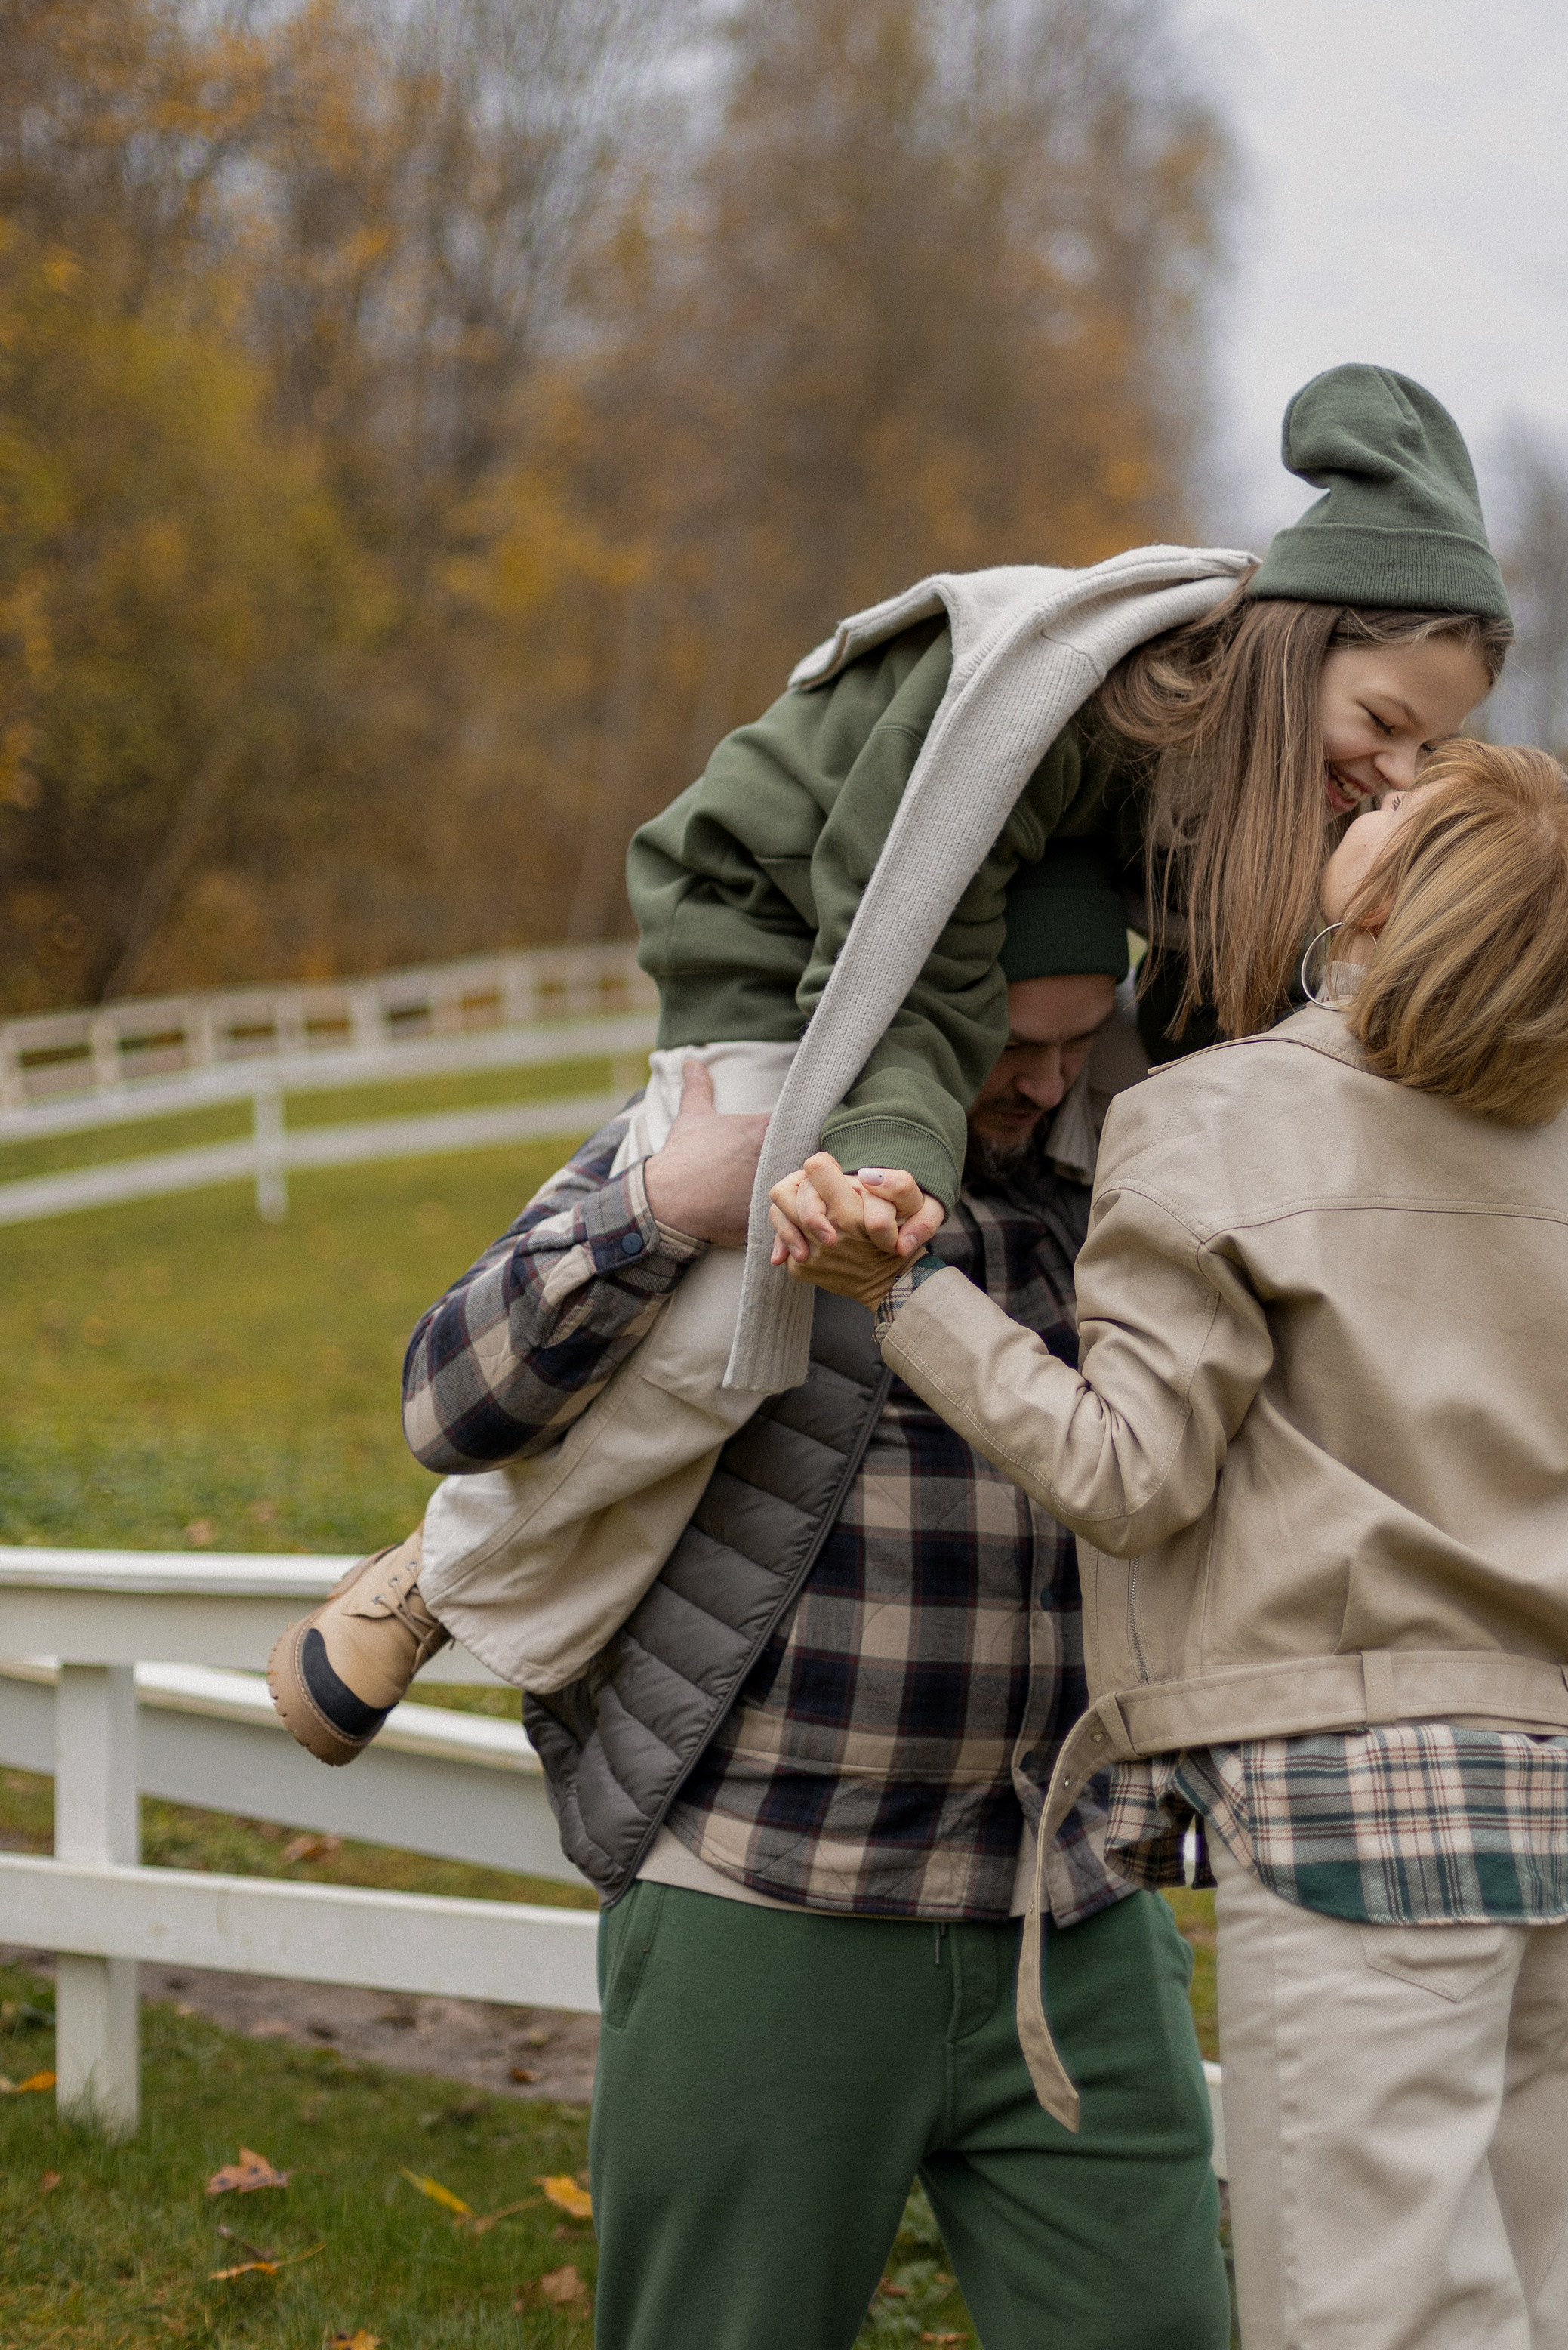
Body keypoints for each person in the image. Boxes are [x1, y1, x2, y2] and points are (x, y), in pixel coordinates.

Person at [270, 360, 1515, 1761]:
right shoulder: (1063, 702)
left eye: (1436, 743)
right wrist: (886, 1180)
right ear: (1297, 648)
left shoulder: (1248, 784)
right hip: (785, 916)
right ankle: (434, 1581)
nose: (1398, 769)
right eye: (1387, 724)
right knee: (742, 1290)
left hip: (997, 946)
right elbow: (903, 963)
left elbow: (1209, 1012)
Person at [786, 741, 1568, 2350]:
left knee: (1365, 2323)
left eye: (1391, 813)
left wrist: (904, 1296)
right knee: (1518, 2301)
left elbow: (1124, 1474)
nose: (1361, 796)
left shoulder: (1219, 1114)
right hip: (1537, 1798)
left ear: (1394, 902)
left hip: (1342, 1802)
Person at [361, 865, 1234, 2350]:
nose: (1044, 1080)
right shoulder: (755, 1144)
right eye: (1009, 1043)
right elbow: (447, 1400)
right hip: (767, 1892)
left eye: (1080, 1040)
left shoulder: (1120, 1192)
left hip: (1071, 1917)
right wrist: (655, 1211)